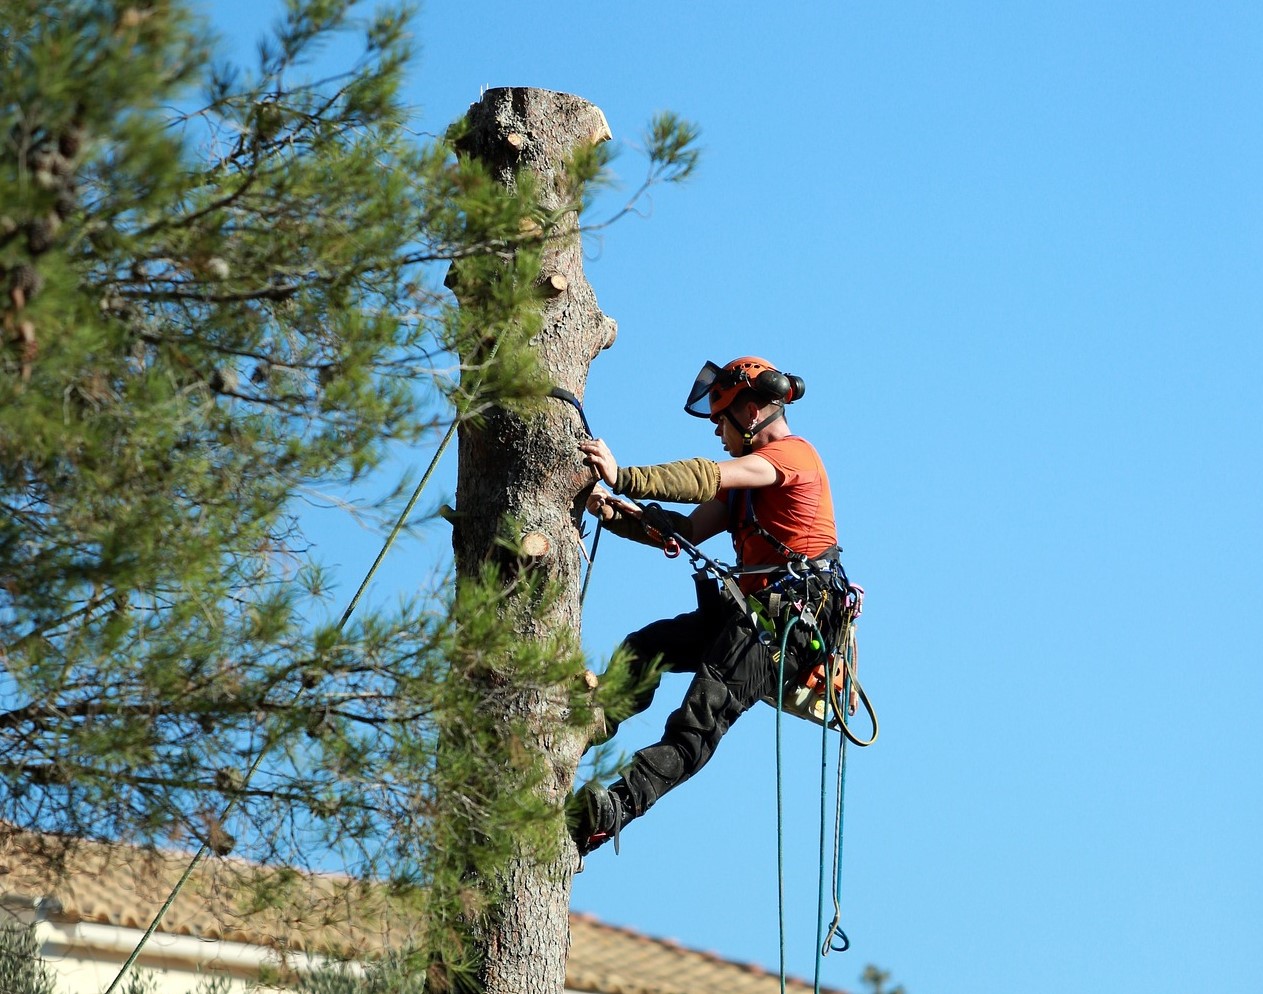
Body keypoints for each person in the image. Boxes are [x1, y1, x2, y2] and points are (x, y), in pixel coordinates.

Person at [571, 356, 847, 856]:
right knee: (645, 647)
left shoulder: (791, 458)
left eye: (722, 419)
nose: (717, 431)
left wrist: (624, 476)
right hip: (750, 613)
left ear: (752, 411)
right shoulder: (745, 490)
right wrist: (616, 514)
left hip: (788, 623)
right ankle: (592, 720)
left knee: (698, 720)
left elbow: (702, 476)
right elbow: (688, 529)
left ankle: (614, 809)